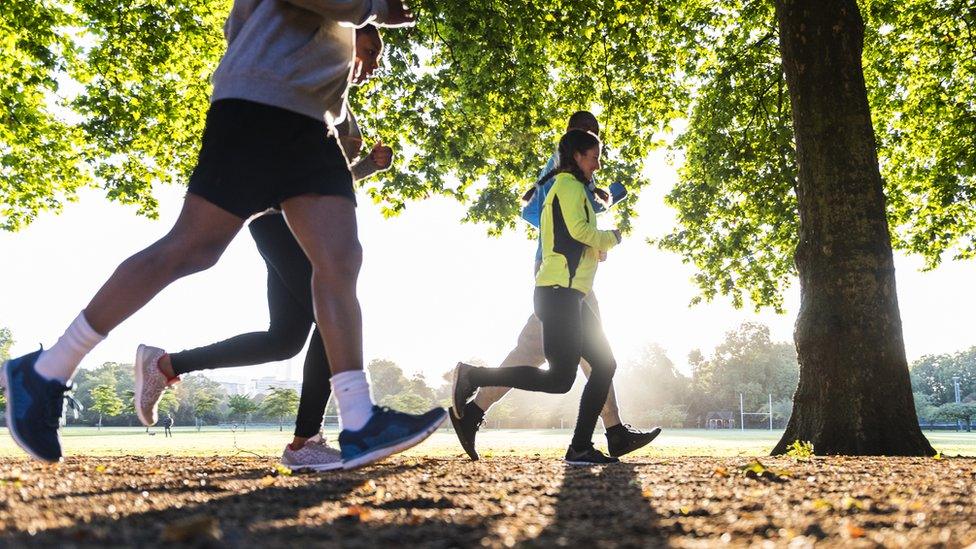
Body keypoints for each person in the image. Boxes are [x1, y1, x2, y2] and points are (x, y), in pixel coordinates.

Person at [1, 0, 446, 468]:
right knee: (192, 248)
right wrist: (373, 7)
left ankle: (359, 420)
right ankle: (48, 370)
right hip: (263, 101)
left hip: (315, 119)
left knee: (339, 259)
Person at [133, 26, 394, 472]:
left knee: (286, 339)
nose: (372, 66)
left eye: (376, 59)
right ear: (345, 41)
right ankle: (305, 441)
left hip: (290, 221)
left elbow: (327, 183)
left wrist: (367, 164)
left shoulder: (342, 111)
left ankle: (166, 364)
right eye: (369, 52)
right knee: (329, 311)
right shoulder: (311, 85)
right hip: (276, 217)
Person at [450, 112, 661, 461]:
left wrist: (590, 233)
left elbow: (576, 221)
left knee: (581, 357)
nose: (597, 157)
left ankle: (600, 435)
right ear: (575, 145)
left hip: (569, 278)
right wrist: (589, 237)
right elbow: (538, 214)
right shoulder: (563, 174)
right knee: (569, 364)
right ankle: (607, 433)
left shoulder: (577, 180)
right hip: (558, 277)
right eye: (591, 146)